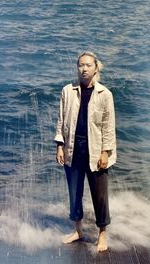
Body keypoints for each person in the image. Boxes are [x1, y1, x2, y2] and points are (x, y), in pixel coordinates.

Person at [54, 51, 117, 252]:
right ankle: (78, 230)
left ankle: (102, 235)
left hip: (96, 150)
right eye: (81, 65)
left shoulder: (105, 94)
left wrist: (105, 152)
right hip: (73, 148)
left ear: (96, 68)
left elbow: (108, 126)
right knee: (75, 192)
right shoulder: (68, 91)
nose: (84, 68)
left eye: (88, 65)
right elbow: (61, 120)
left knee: (100, 195)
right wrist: (60, 146)